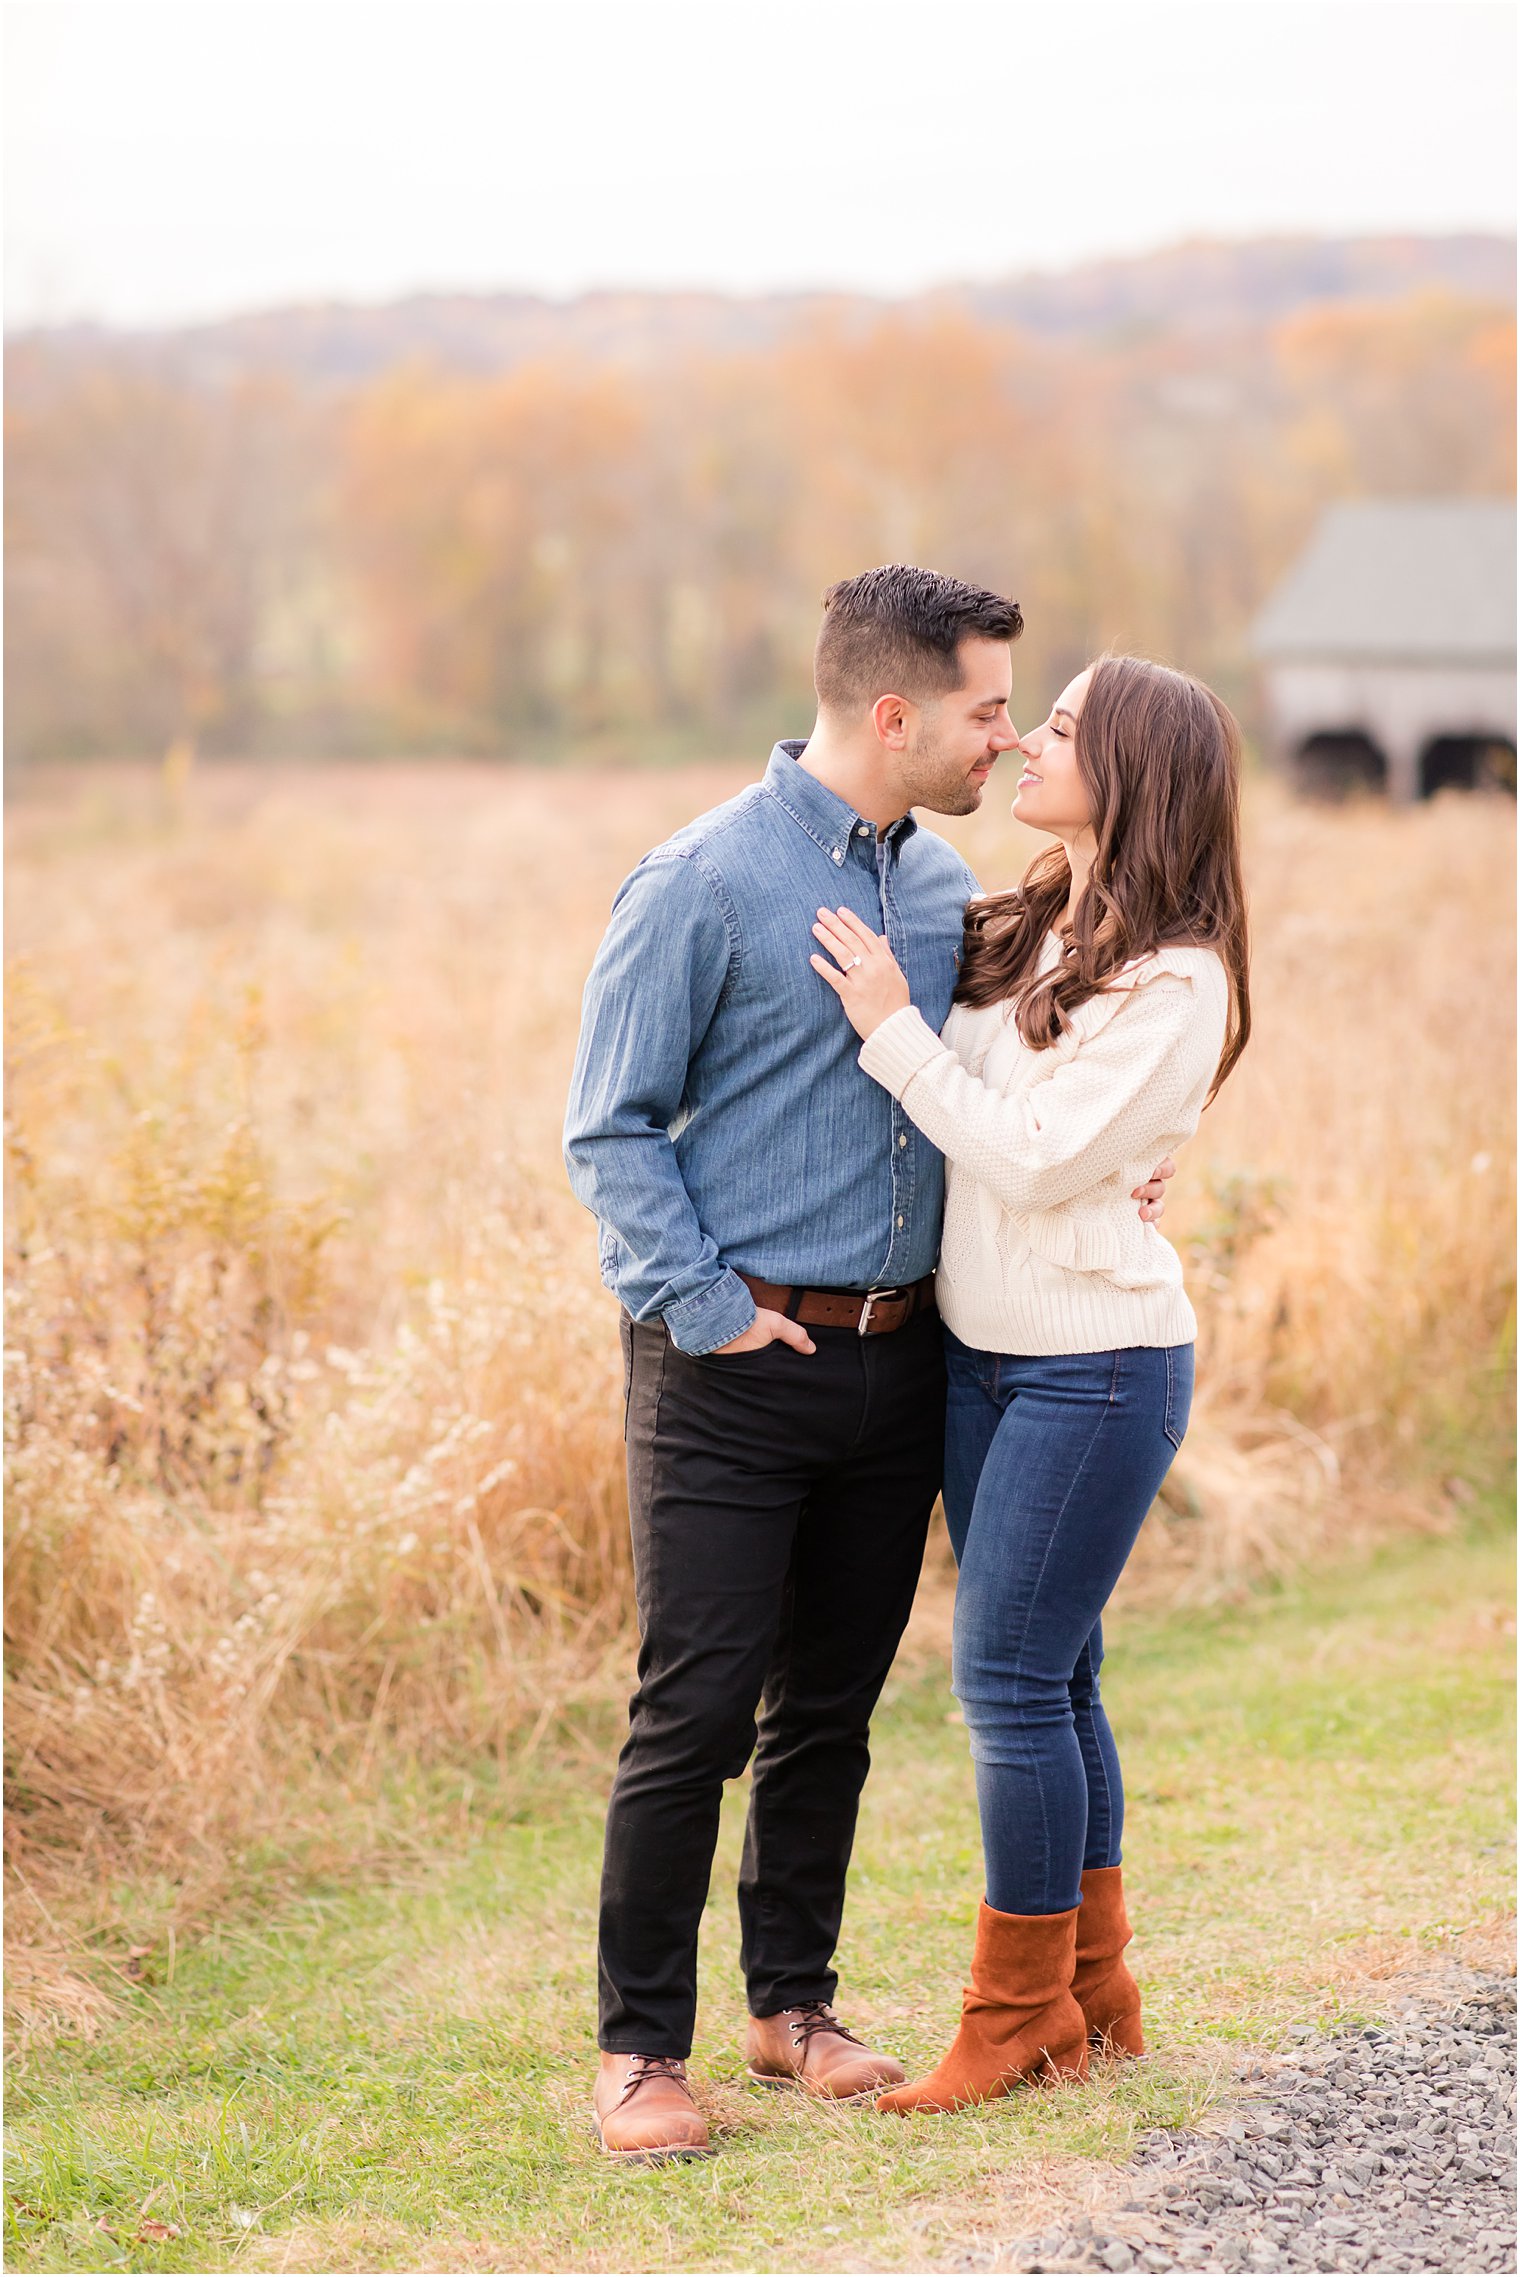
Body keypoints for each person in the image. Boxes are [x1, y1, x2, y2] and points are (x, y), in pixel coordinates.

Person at [563, 570, 1175, 2162]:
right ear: (894, 712)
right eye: (988, 707)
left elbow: (1029, 1077)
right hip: (731, 1359)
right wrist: (703, 1307)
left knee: (829, 1704)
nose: (1005, 736)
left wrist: (1128, 1168)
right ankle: (641, 2051)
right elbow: (608, 1128)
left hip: (908, 1361)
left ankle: (793, 2006)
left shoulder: (949, 888)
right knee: (695, 1708)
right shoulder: (700, 880)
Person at [809, 651, 1250, 2114]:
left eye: (1057, 729)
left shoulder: (1179, 973)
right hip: (987, 1356)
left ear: (1127, 771)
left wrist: (890, 1029)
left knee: (1003, 1680)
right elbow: (1030, 1128)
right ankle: (1093, 1991)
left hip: (1098, 1370)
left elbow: (1039, 1153)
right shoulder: (1041, 914)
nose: (1024, 745)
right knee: (1058, 1674)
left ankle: (1010, 2018)